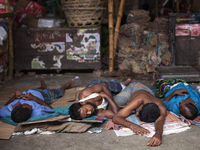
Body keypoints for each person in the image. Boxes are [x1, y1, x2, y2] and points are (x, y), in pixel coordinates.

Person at [112, 82, 167, 147]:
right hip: (135, 87)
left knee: (127, 108)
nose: (136, 113)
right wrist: (132, 126)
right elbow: (116, 117)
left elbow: (160, 119)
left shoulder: (160, 105)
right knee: (114, 102)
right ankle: (124, 84)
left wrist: (158, 134)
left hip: (147, 91)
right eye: (138, 111)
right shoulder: (139, 99)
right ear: (143, 105)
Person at [0, 77, 74, 123]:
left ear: (18, 106)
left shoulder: (9, 112)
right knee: (58, 92)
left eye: (27, 105)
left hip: (28, 92)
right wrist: (34, 98)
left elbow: (5, 106)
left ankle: (42, 87)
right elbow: (50, 109)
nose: (31, 105)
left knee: (33, 89)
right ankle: (65, 87)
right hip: (42, 96)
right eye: (30, 107)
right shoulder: (38, 112)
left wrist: (14, 97)